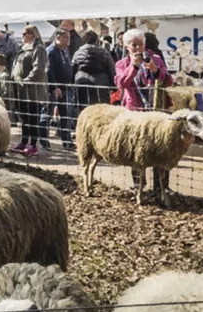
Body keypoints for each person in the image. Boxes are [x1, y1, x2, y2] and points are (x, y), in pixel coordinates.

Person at [115, 28, 172, 194]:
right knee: (136, 148)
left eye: (140, 44)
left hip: (156, 110)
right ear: (127, 46)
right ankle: (139, 184)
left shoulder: (156, 59)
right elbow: (121, 83)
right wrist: (133, 66)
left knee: (160, 147)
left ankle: (161, 185)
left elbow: (168, 81)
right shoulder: (122, 64)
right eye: (134, 45)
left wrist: (155, 70)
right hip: (134, 111)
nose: (138, 48)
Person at [11, 25, 49, 156]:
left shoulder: (38, 49)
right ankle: (24, 141)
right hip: (21, 90)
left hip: (32, 91)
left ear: (33, 34)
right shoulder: (23, 49)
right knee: (25, 118)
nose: (23, 36)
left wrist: (26, 81)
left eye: (25, 34)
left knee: (33, 118)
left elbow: (39, 68)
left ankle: (33, 145)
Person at [44, 27, 75, 150]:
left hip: (66, 87)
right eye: (65, 38)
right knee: (48, 114)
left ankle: (67, 141)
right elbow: (49, 70)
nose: (68, 40)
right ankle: (44, 141)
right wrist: (54, 86)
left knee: (66, 114)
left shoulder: (65, 50)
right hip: (54, 88)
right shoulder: (51, 51)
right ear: (58, 38)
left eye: (69, 38)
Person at [73, 30, 116, 107]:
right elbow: (111, 68)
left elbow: (73, 69)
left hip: (81, 81)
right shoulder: (104, 52)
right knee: (101, 107)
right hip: (101, 83)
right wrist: (114, 85)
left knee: (83, 107)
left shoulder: (78, 53)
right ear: (97, 40)